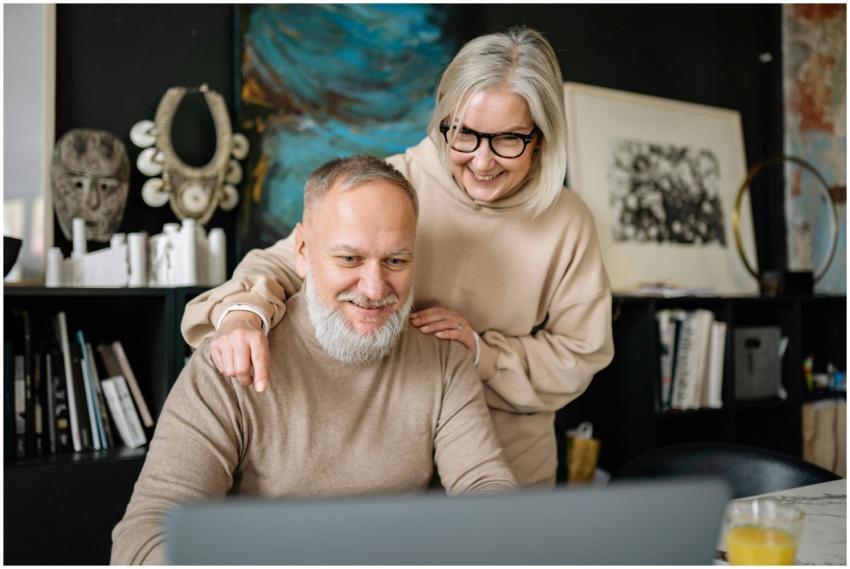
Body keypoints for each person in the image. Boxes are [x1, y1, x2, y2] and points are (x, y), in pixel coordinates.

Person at [182, 27, 614, 488]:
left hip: (506, 465)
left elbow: (581, 353)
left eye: (508, 139)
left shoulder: (569, 221)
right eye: (465, 134)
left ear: (541, 137)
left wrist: (482, 353)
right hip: (394, 457)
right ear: (444, 119)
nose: (483, 161)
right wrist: (242, 313)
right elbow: (286, 261)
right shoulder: (395, 187)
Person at [111, 156, 517, 565]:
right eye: (349, 259)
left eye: (396, 261)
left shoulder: (443, 357)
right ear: (303, 251)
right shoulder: (233, 358)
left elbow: (486, 488)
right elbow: (147, 532)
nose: (375, 289)